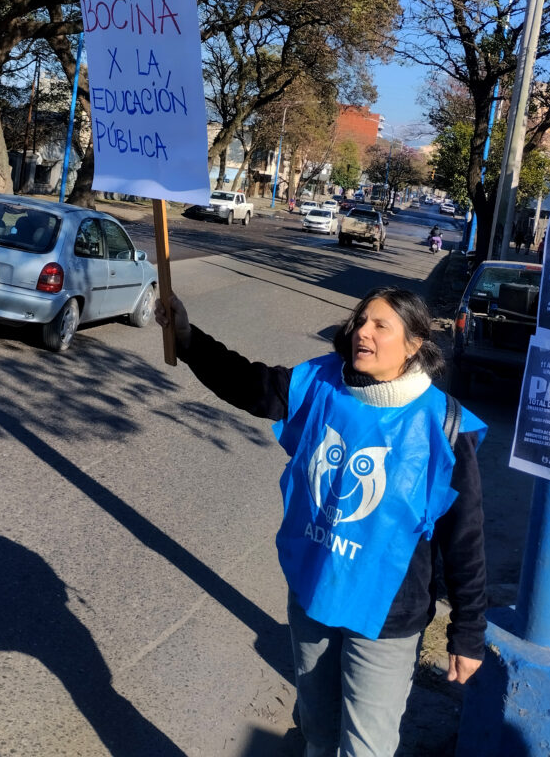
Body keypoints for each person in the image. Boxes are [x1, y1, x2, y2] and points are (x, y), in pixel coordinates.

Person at [155, 287, 487, 757]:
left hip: (385, 618)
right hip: (314, 593)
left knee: (365, 748)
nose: (362, 333)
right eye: (360, 321)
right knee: (318, 731)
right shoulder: (321, 384)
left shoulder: (444, 426)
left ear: (414, 345)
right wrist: (188, 338)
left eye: (380, 326)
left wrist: (468, 632)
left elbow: (464, 538)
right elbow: (247, 383)